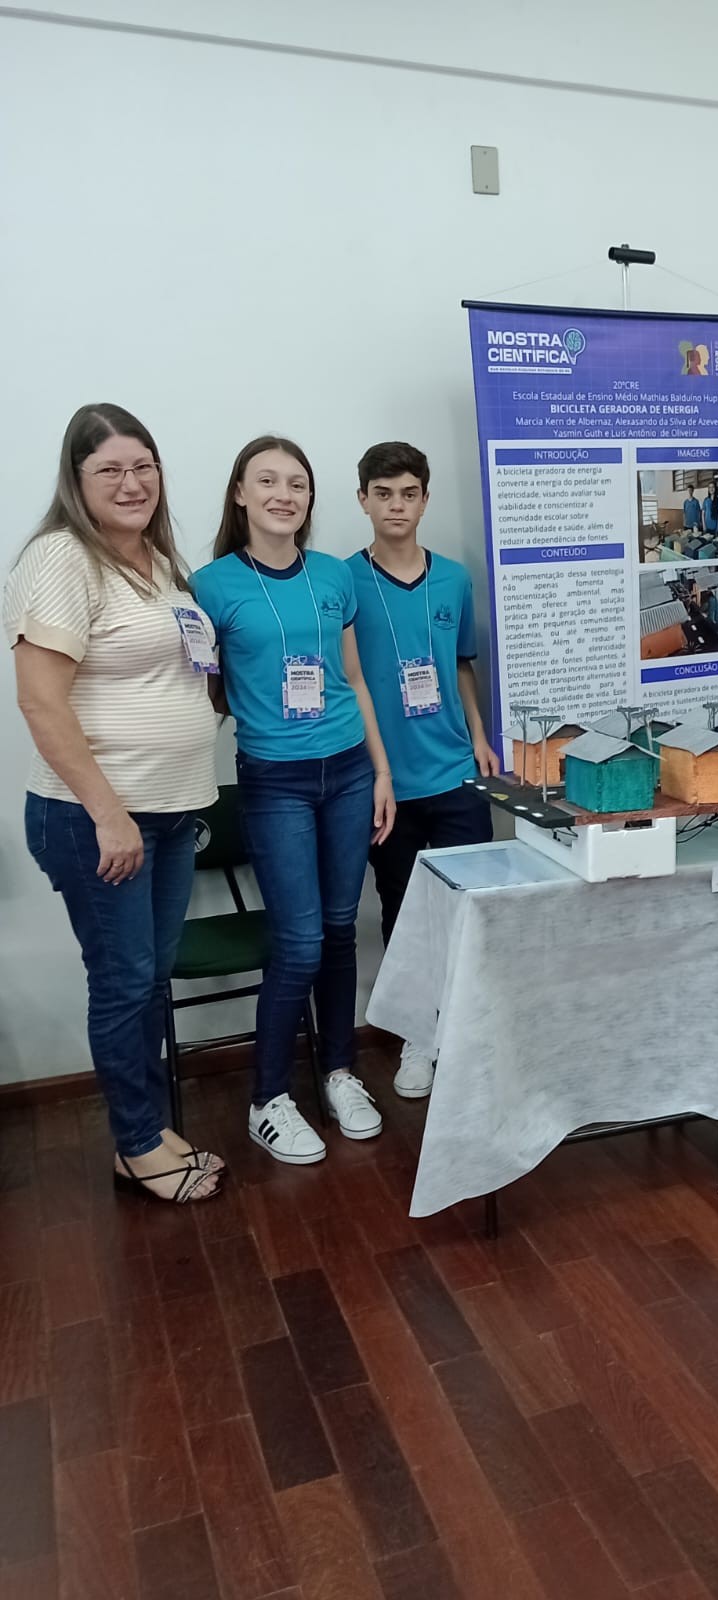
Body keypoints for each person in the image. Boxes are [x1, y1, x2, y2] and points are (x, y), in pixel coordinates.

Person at [5, 404, 224, 1203]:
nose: (132, 484)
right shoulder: (62, 558)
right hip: (97, 821)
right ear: (77, 479)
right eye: (110, 470)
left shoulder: (159, 562)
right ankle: (136, 1147)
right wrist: (108, 814)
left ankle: (151, 1130)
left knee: (146, 979)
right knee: (124, 982)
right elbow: (40, 701)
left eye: (143, 466)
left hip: (167, 814)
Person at [193, 437, 396, 1164]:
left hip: (348, 772)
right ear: (240, 493)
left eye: (298, 483)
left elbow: (354, 678)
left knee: (340, 929)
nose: (284, 495)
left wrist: (380, 772)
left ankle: (339, 1072)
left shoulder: (334, 575)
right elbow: (204, 692)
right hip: (274, 781)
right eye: (268, 481)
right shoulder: (209, 585)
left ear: (311, 497)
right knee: (301, 940)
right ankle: (268, 1099)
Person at [350, 441, 497, 1099]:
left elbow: (461, 665)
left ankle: (468, 1032)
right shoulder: (342, 582)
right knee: (405, 912)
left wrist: (479, 736)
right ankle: (420, 1037)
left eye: (408, 494)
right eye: (383, 494)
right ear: (363, 500)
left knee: (471, 907)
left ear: (425, 500)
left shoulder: (455, 579)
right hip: (389, 783)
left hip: (455, 772)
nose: (397, 507)